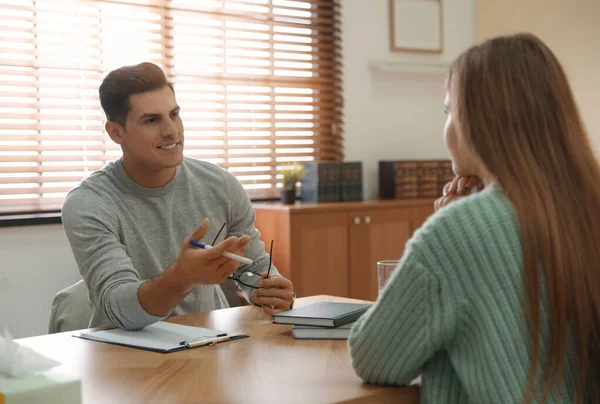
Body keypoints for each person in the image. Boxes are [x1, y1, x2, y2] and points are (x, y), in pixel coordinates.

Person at [349, 33, 600, 404]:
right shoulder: (587, 208)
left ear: (479, 122)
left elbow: (373, 357)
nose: (447, 125)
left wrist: (452, 226)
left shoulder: (459, 231)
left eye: (450, 111)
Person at [62, 62, 295, 331]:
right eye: (152, 120)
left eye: (174, 114)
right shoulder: (88, 203)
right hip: (124, 352)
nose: (172, 131)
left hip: (210, 342)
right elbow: (120, 307)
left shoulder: (221, 185)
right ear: (116, 132)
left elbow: (253, 266)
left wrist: (268, 289)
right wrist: (182, 278)